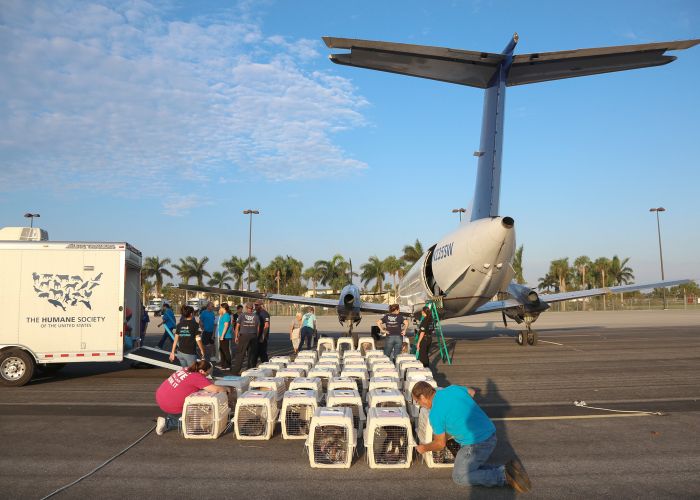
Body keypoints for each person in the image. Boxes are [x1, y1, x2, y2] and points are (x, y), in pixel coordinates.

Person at [411, 381, 531, 493]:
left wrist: (423, 448)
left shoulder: (435, 414)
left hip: (476, 443)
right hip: (490, 432)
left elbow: (440, 444)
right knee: (470, 466)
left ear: (422, 397)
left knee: (460, 476)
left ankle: (503, 476)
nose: (420, 405)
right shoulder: (452, 389)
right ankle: (507, 469)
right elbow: (471, 392)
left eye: (417, 401)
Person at [154, 359, 230, 435]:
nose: (208, 375)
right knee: (194, 422)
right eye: (208, 373)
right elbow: (215, 389)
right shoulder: (197, 377)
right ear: (201, 371)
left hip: (161, 396)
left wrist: (208, 382)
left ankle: (173, 416)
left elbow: (199, 381)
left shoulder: (186, 369)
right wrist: (226, 389)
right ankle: (167, 422)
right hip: (169, 403)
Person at [231, 303, 260, 374]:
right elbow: (258, 328)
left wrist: (236, 336)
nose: (250, 309)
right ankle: (250, 369)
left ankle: (236, 371)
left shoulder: (242, 315)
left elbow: (237, 326)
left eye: (250, 308)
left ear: (246, 308)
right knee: (251, 353)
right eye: (250, 308)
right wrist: (257, 336)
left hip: (244, 336)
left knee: (240, 353)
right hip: (253, 335)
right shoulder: (256, 316)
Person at [254, 300, 271, 364]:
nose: (255, 306)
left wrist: (262, 337)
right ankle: (252, 367)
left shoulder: (265, 313)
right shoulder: (256, 313)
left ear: (261, 305)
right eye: (255, 305)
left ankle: (266, 366)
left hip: (262, 337)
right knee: (255, 353)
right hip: (256, 336)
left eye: (257, 305)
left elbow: (266, 326)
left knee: (263, 354)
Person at [217, 303, 233, 370]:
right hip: (222, 335)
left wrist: (222, 335)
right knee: (221, 350)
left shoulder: (226, 315)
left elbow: (226, 326)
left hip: (225, 336)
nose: (219, 309)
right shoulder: (223, 315)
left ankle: (228, 365)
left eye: (220, 307)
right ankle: (223, 365)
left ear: (223, 308)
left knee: (226, 351)